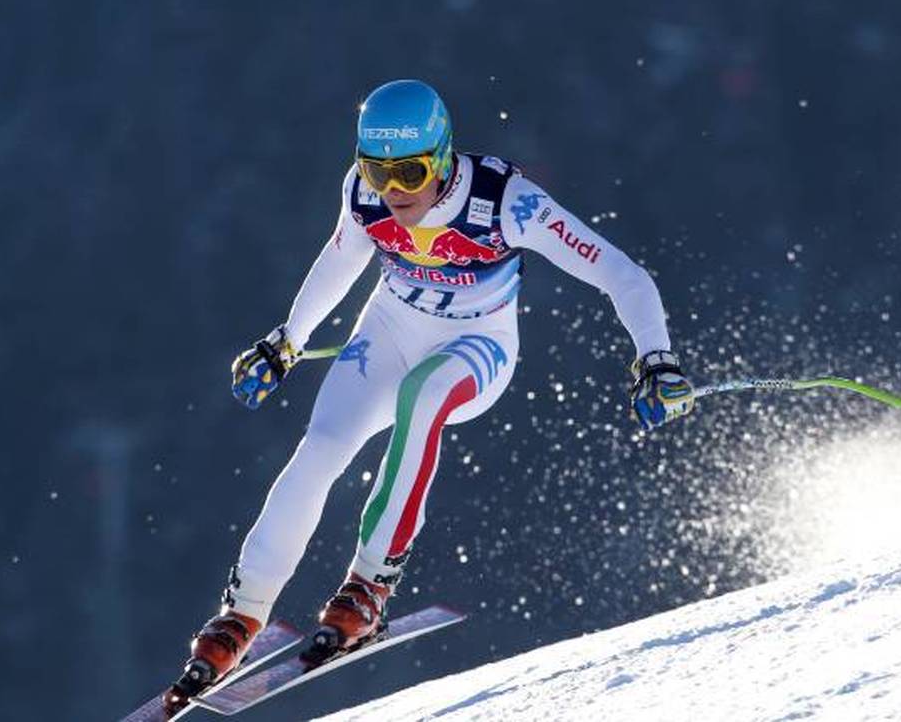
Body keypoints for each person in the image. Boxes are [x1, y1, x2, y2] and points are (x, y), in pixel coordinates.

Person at [162, 79, 694, 714]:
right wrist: (286, 342)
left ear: (441, 158)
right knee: (321, 448)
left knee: (422, 399)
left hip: (477, 345)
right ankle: (241, 614)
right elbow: (340, 259)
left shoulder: (506, 202)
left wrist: (656, 359)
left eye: (410, 172)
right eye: (377, 171)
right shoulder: (364, 194)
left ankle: (370, 585)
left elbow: (622, 275)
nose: (394, 190)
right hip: (388, 331)